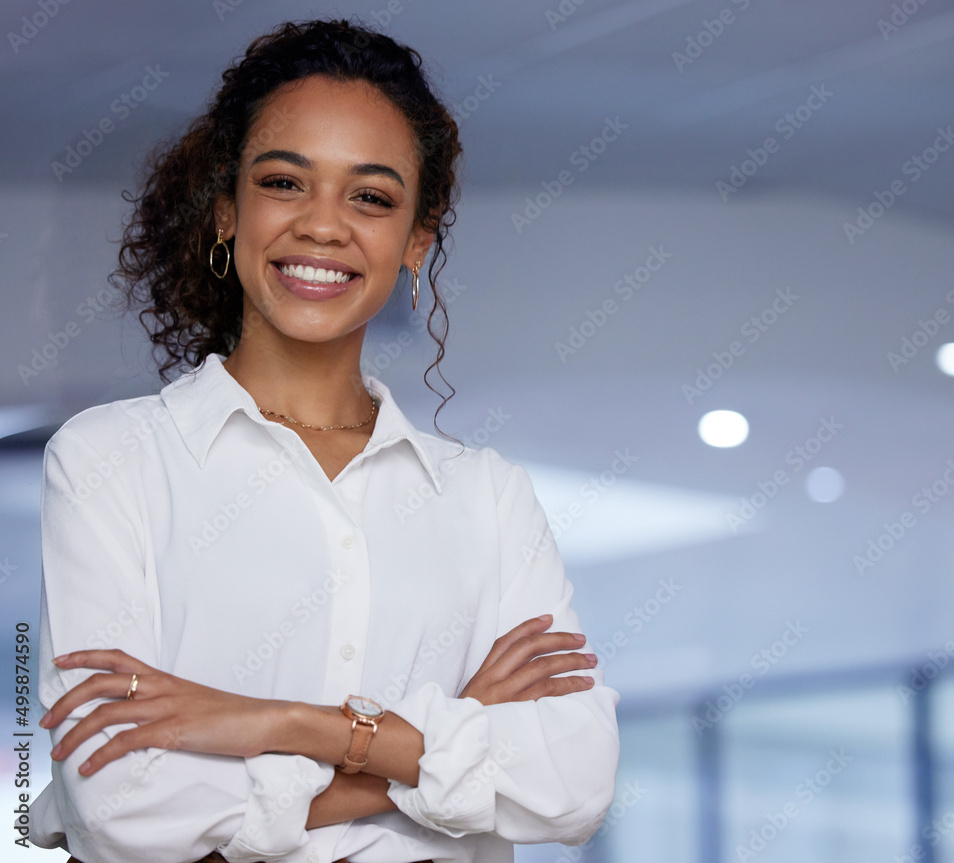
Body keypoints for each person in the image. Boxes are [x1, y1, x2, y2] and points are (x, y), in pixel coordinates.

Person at [29, 18, 620, 863]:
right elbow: (119, 806)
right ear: (227, 209)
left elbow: (573, 780)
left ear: (417, 239)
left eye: (371, 196)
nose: (323, 226)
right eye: (284, 182)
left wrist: (273, 722)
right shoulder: (109, 461)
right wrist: (420, 747)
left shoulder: (486, 497)